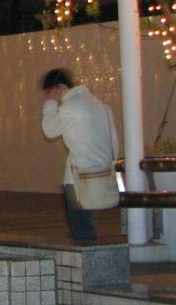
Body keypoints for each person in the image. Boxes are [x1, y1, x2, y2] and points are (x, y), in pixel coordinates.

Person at [39, 68, 119, 244]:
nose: (48, 95)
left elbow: (49, 130)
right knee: (88, 220)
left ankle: (87, 255)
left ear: (59, 87)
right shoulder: (100, 106)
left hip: (79, 175)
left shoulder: (70, 108)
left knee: (82, 227)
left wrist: (50, 103)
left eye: (50, 91)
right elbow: (113, 141)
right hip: (102, 171)